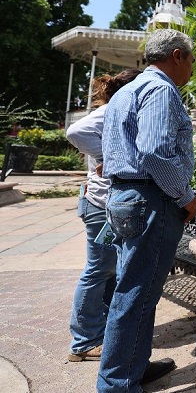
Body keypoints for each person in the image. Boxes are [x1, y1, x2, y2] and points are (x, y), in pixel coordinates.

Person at [97, 29, 196, 393]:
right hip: (150, 200)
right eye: (190, 59)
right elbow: (154, 151)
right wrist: (185, 196)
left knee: (133, 289)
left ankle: (132, 369)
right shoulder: (160, 90)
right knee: (136, 294)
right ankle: (118, 387)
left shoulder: (128, 90)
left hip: (128, 197)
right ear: (176, 55)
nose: (192, 67)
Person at [66, 69, 141, 362]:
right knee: (98, 271)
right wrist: (106, 158)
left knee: (108, 271)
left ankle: (101, 332)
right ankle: (84, 341)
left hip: (104, 203)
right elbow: (75, 132)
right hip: (100, 204)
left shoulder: (119, 110)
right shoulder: (113, 109)